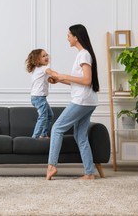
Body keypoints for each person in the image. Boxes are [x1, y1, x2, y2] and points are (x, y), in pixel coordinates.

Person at [46, 24, 99, 180]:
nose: (67, 37)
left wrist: (63, 75)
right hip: (88, 100)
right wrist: (59, 80)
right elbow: (80, 81)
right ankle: (89, 173)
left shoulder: (84, 54)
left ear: (76, 37)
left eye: (69, 35)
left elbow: (87, 80)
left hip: (82, 100)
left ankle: (51, 166)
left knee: (57, 128)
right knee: (80, 135)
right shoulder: (84, 54)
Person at [25, 49, 56, 138]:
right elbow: (53, 73)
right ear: (37, 59)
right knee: (43, 117)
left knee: (50, 115)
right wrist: (60, 76)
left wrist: (51, 79)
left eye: (46, 55)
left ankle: (44, 134)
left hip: (36, 97)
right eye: (43, 56)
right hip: (39, 97)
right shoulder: (44, 68)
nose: (46, 57)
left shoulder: (36, 69)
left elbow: (48, 78)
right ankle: (35, 137)